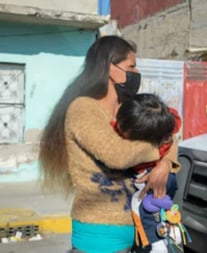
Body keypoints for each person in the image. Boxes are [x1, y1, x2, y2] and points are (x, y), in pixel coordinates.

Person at [38, 36, 180, 253]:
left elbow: (168, 134)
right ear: (109, 68)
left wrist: (165, 165)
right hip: (99, 236)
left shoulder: (126, 107)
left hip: (136, 231)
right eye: (131, 66)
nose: (136, 72)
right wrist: (158, 150)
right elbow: (117, 154)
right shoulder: (83, 108)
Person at [114, 93, 185, 253]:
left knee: (142, 205)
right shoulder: (163, 120)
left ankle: (155, 243)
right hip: (165, 175)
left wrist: (165, 163)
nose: (117, 128)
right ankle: (171, 229)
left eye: (122, 129)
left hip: (151, 174)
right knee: (160, 205)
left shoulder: (149, 138)